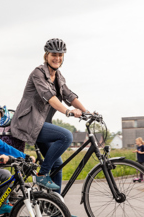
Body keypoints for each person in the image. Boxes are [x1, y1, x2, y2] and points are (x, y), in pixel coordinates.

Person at [11, 38, 90, 194]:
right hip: (29, 123)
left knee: (57, 165)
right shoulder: (38, 73)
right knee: (66, 136)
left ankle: (55, 207)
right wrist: (68, 112)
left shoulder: (58, 76)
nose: (57, 58)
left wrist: (87, 112)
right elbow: (50, 97)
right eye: (54, 54)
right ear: (46, 55)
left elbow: (69, 95)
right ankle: (41, 175)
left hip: (41, 125)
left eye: (60, 55)